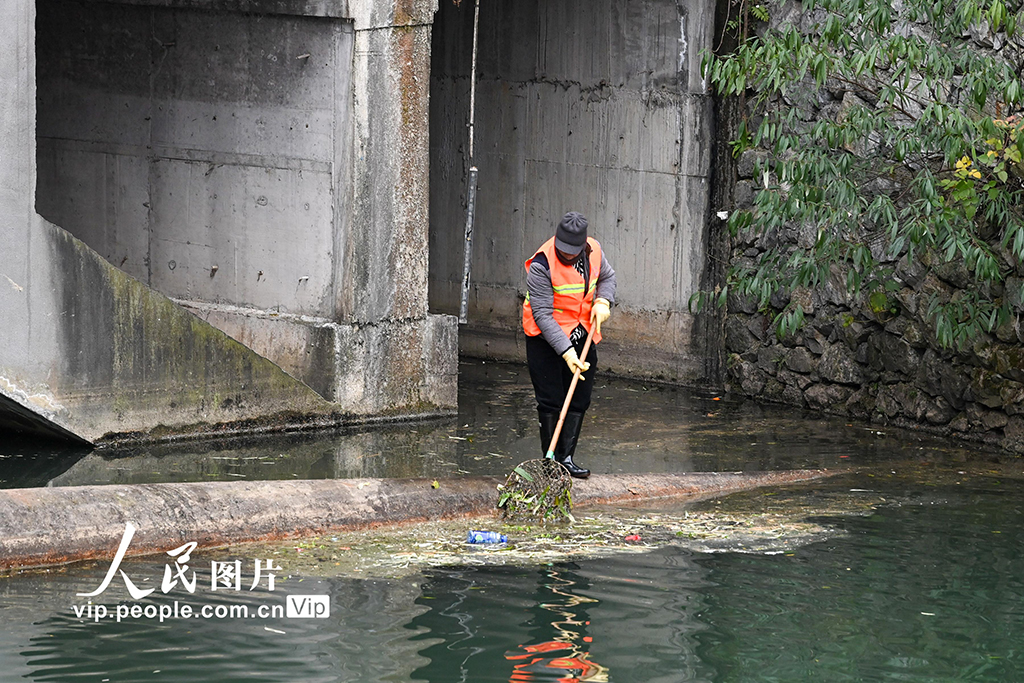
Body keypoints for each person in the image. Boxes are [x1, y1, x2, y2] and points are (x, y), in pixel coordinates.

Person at [522, 211, 616, 479]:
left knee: (579, 398)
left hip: (582, 332)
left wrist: (603, 301)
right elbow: (542, 314)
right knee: (551, 400)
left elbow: (607, 277)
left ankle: (566, 458)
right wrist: (566, 353)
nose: (566, 255)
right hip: (545, 338)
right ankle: (550, 464)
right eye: (562, 250)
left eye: (572, 252)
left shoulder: (594, 251)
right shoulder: (542, 263)